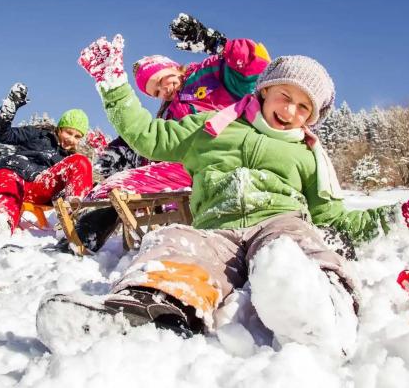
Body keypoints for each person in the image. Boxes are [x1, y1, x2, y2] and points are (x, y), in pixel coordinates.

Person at [37, 36, 409, 356]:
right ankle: (140, 312)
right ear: (265, 91)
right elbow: (149, 136)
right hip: (218, 228)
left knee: (294, 247)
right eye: (285, 96)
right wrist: (114, 85)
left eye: (304, 107)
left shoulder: (306, 153)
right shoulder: (212, 126)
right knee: (173, 242)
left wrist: (400, 215)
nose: (290, 111)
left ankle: (321, 310)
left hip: (280, 221)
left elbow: (334, 217)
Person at [57, 14, 271, 254]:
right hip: (187, 169)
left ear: (172, 66)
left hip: (225, 160)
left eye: (161, 80)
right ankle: (81, 234)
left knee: (125, 183)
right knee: (120, 183)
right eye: (156, 92)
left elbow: (257, 67)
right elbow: (156, 141)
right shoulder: (168, 113)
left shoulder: (210, 74)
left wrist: (216, 43)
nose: (163, 91)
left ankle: (83, 237)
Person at [0, 83, 93, 248]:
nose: (71, 139)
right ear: (59, 129)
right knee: (8, 193)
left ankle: (72, 219)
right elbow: (1, 135)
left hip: (40, 185)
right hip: (13, 173)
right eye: (68, 132)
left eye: (77, 136)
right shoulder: (37, 134)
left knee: (82, 161)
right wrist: (10, 107)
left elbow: (79, 181)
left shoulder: (69, 159)